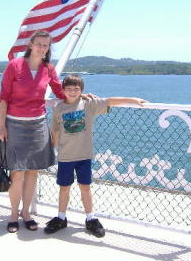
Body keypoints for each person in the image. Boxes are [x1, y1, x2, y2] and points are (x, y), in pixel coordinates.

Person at [44, 74, 147, 238]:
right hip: (65, 157)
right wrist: (50, 149)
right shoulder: (58, 108)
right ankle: (61, 218)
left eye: (76, 89)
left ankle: (90, 218)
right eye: (69, 89)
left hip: (84, 156)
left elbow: (110, 101)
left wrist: (132, 99)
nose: (72, 92)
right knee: (64, 188)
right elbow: (55, 130)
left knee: (85, 187)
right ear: (63, 90)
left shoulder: (89, 104)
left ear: (82, 91)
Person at [0, 30, 66, 233]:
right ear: (30, 45)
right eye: (39, 44)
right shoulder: (14, 65)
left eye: (46, 45)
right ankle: (13, 213)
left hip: (37, 125)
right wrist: (2, 126)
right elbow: (4, 97)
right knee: (17, 173)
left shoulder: (48, 69)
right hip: (15, 125)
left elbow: (60, 92)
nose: (42, 48)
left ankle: (25, 213)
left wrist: (80, 96)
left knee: (32, 173)